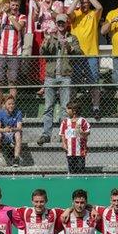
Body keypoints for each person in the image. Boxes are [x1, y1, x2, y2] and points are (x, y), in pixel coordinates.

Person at [36, 13, 82, 146]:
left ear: (67, 23)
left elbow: (78, 53)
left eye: (63, 22)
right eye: (59, 23)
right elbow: (42, 53)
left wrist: (69, 47)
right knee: (48, 107)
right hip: (51, 76)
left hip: (65, 76)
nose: (61, 25)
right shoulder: (50, 37)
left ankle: (65, 134)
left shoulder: (72, 38)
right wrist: (45, 43)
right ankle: (46, 134)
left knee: (64, 108)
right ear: (56, 24)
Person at [68, 0, 103, 118]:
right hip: (76, 54)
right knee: (74, 82)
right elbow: (68, 12)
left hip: (91, 54)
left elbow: (99, 7)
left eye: (86, 2)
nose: (84, 4)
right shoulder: (75, 14)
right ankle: (72, 108)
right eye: (82, 2)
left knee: (93, 82)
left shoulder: (94, 14)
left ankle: (96, 108)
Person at [0, 0, 26, 108]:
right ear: (9, 4)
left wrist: (10, 15)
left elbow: (19, 27)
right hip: (1, 52)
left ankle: (11, 107)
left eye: (17, 5)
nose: (15, 7)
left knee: (12, 83)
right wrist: (0, 13)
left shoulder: (21, 17)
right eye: (13, 4)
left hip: (15, 53)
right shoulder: (3, 16)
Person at [0, 94, 23, 169]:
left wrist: (12, 129)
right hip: (4, 133)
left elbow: (19, 127)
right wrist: (4, 130)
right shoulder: (0, 113)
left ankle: (16, 158)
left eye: (13, 104)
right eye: (9, 104)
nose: (11, 106)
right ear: (4, 104)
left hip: (13, 132)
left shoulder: (18, 112)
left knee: (18, 134)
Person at [59, 101, 90, 173]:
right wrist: (63, 143)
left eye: (68, 108)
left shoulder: (82, 121)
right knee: (71, 168)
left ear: (74, 111)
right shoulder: (65, 122)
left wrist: (82, 132)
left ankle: (81, 182)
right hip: (69, 150)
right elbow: (63, 134)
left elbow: (88, 132)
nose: (66, 110)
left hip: (80, 150)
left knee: (80, 168)